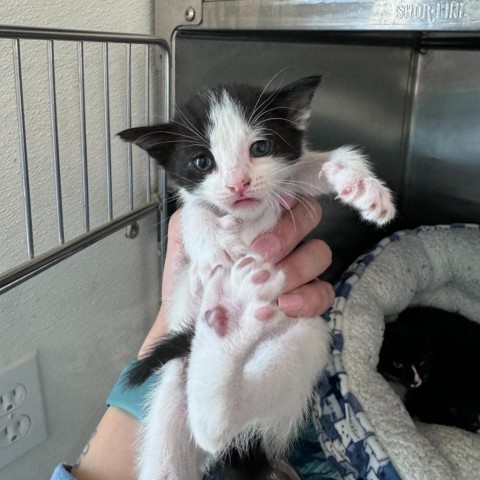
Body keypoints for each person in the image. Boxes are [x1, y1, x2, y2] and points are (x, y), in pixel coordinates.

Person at [51, 197, 335, 480]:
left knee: (303, 338)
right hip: (221, 333)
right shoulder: (201, 207)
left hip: (227, 356)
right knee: (307, 337)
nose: (237, 182)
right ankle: (217, 391)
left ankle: (216, 396)